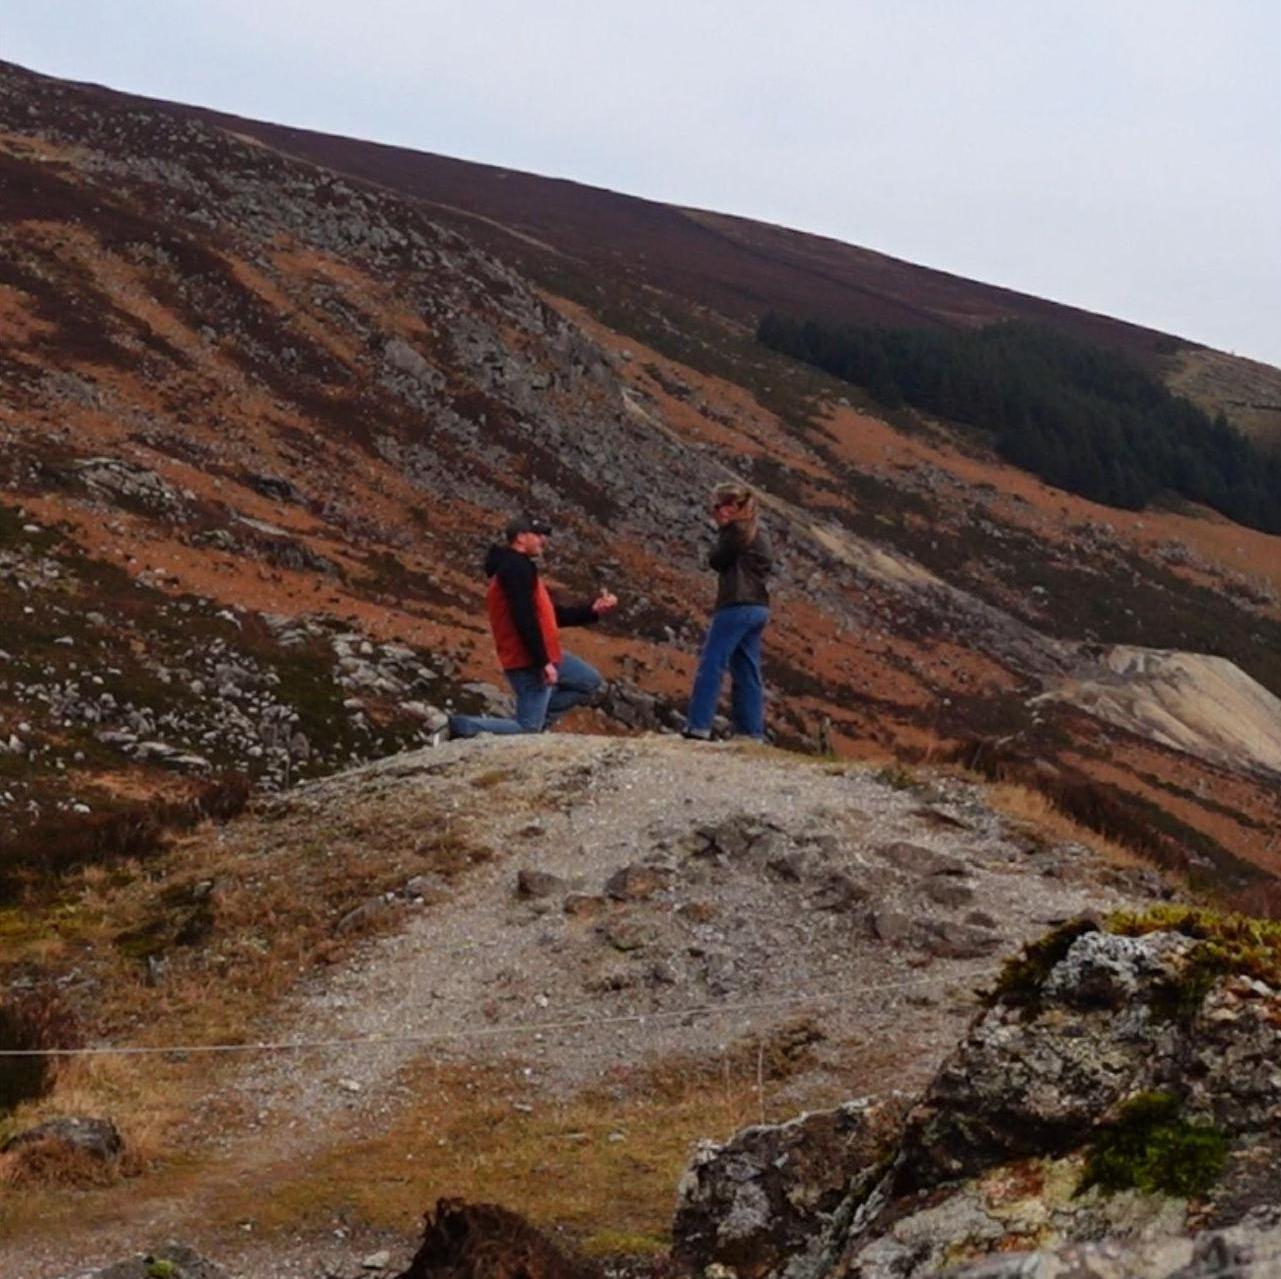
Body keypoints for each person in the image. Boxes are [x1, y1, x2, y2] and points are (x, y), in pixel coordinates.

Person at [447, 515, 618, 738]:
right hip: (528, 659)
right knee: (527, 726)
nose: (542, 540)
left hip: (542, 654)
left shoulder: (518, 567)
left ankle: (533, 732)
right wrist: (543, 662)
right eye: (537, 535)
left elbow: (545, 616)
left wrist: (591, 610)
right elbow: (523, 618)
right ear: (520, 538)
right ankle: (461, 726)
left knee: (588, 681)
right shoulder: (515, 568)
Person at [683, 482, 773, 741]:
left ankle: (698, 725)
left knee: (712, 663)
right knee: (747, 668)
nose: (716, 511)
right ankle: (751, 731)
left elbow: (717, 560)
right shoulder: (760, 532)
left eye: (721, 505)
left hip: (735, 604)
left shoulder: (736, 531)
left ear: (735, 506)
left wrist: (722, 531)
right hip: (758, 606)